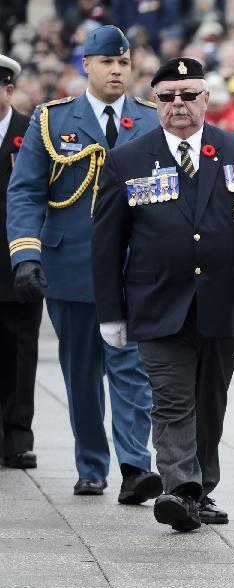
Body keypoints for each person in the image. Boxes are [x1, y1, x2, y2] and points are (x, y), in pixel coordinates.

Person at [91, 57, 234, 532]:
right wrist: (111, 312)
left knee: (209, 401)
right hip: (156, 304)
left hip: (223, 303)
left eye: (188, 95)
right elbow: (107, 242)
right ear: (155, 102)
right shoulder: (127, 159)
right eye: (168, 96)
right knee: (172, 400)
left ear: (206, 99)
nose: (179, 105)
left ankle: (201, 488)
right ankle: (182, 489)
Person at [6, 26, 162, 502]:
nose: (117, 70)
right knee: (81, 371)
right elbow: (27, 190)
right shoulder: (52, 121)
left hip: (136, 268)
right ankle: (92, 464)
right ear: (86, 66)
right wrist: (26, 255)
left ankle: (136, 465)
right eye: (106, 62)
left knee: (132, 367)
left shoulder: (150, 122)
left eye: (123, 62)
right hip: (71, 264)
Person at [0, 54, 41, 470]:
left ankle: (17, 436)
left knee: (19, 352)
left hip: (16, 261)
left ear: (9, 91)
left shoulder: (30, 133)